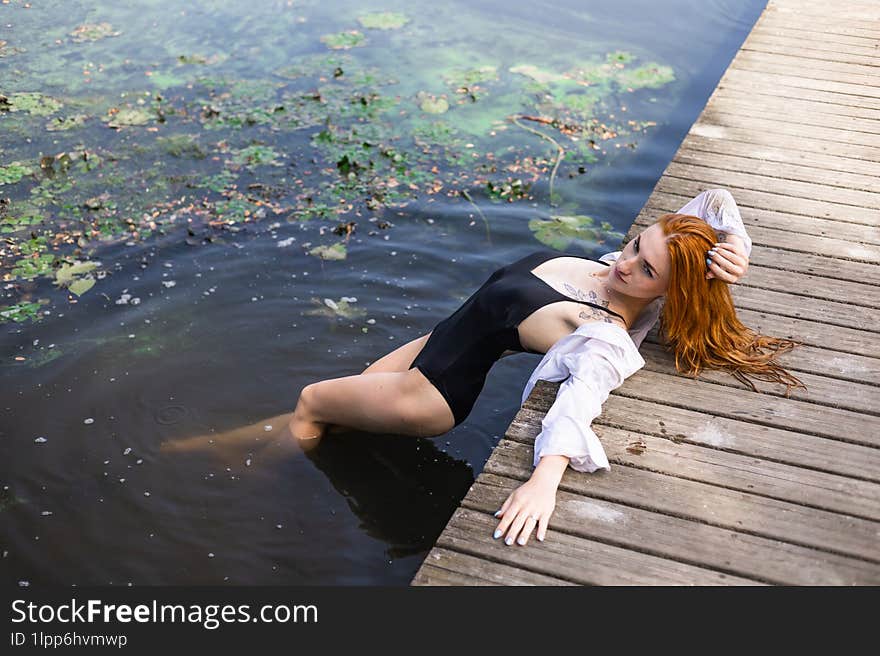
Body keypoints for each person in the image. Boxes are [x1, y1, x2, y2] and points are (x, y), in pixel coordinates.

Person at [167, 188, 804, 549]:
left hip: (433, 394)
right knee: (339, 413)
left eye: (646, 270)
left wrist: (545, 482)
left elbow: (579, 402)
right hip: (436, 343)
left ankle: (254, 489)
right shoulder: (621, 265)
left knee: (313, 399)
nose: (625, 264)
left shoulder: (602, 334)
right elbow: (715, 200)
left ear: (668, 292)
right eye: (637, 245)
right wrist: (734, 248)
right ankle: (223, 446)